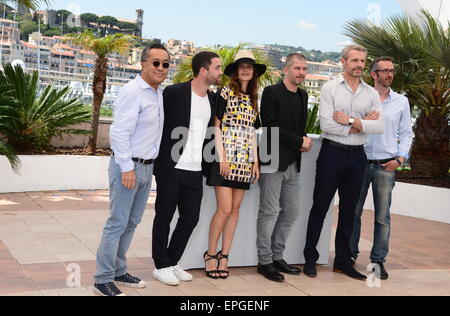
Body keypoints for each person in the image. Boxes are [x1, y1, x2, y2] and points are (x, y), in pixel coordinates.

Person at [93, 44, 170, 296]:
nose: (160, 68)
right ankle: (102, 279)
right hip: (129, 166)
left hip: (147, 167)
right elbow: (119, 132)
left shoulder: (157, 93)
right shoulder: (133, 91)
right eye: (155, 62)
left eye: (165, 64)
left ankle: (118, 270)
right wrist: (126, 168)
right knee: (117, 222)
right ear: (143, 64)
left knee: (132, 222)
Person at [303, 45, 384, 281]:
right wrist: (361, 124)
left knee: (350, 213)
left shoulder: (371, 93)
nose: (359, 64)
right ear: (343, 61)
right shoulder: (330, 88)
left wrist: (349, 120)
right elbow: (327, 125)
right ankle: (310, 258)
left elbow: (379, 126)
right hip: (332, 154)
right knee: (320, 207)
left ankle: (342, 262)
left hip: (358, 156)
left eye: (362, 61)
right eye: (355, 60)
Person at [152, 51, 223, 286]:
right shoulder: (174, 92)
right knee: (164, 217)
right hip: (172, 167)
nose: (220, 72)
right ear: (204, 70)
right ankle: (160, 265)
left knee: (190, 218)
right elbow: (158, 125)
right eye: (217, 67)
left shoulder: (212, 99)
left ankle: (171, 261)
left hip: (195, 169)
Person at [349, 56, 413, 280]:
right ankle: (350, 255)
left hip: (386, 165)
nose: (389, 75)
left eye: (392, 71)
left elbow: (406, 133)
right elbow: (352, 125)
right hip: (359, 160)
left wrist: (401, 158)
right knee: (353, 212)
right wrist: (363, 120)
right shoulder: (361, 97)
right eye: (384, 71)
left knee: (382, 216)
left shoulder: (401, 102)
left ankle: (377, 261)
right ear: (373, 74)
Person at [204, 50, 264, 279]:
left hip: (245, 161)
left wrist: (255, 162)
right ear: (236, 71)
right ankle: (210, 255)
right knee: (224, 209)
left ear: (254, 72)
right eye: (242, 66)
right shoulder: (225, 92)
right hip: (225, 158)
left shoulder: (253, 99)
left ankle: (224, 256)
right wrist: (222, 158)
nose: (246, 69)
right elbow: (216, 127)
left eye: (250, 66)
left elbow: (252, 133)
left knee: (235, 211)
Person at [256, 53, 312, 283]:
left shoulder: (303, 95)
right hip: (272, 159)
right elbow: (270, 125)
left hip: (293, 162)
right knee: (268, 212)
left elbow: (299, 127)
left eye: (304, 69)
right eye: (297, 68)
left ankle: (278, 256)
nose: (301, 72)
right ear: (286, 70)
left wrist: (304, 139)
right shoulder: (271, 93)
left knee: (291, 211)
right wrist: (299, 141)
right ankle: (265, 261)